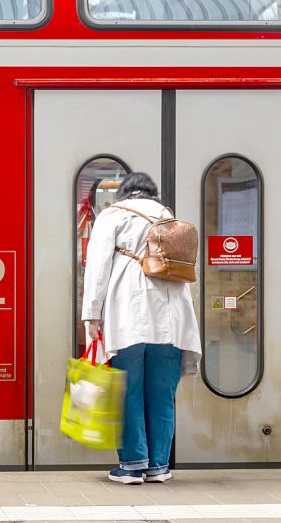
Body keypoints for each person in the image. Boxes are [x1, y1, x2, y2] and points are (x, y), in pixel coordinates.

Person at [81, 172, 201, 485]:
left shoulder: (112, 215)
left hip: (128, 317)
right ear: (152, 194)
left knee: (128, 390)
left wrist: (91, 316)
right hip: (173, 320)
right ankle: (158, 466)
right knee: (162, 393)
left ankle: (132, 465)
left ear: (123, 194)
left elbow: (97, 268)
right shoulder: (168, 217)